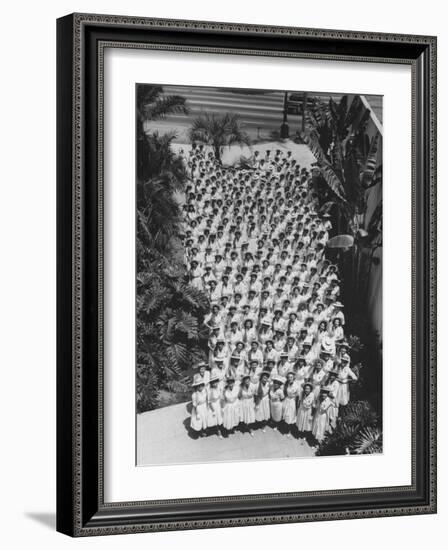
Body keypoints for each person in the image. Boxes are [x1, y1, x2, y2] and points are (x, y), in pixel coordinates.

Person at [282, 371, 300, 436]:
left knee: (290, 416)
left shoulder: (296, 385)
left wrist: (296, 404)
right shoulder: (286, 384)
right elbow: (284, 392)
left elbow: (298, 394)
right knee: (285, 414)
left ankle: (289, 431)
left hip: (292, 401)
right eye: (289, 377)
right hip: (286, 400)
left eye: (291, 377)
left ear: (293, 378)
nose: (290, 378)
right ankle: (285, 429)